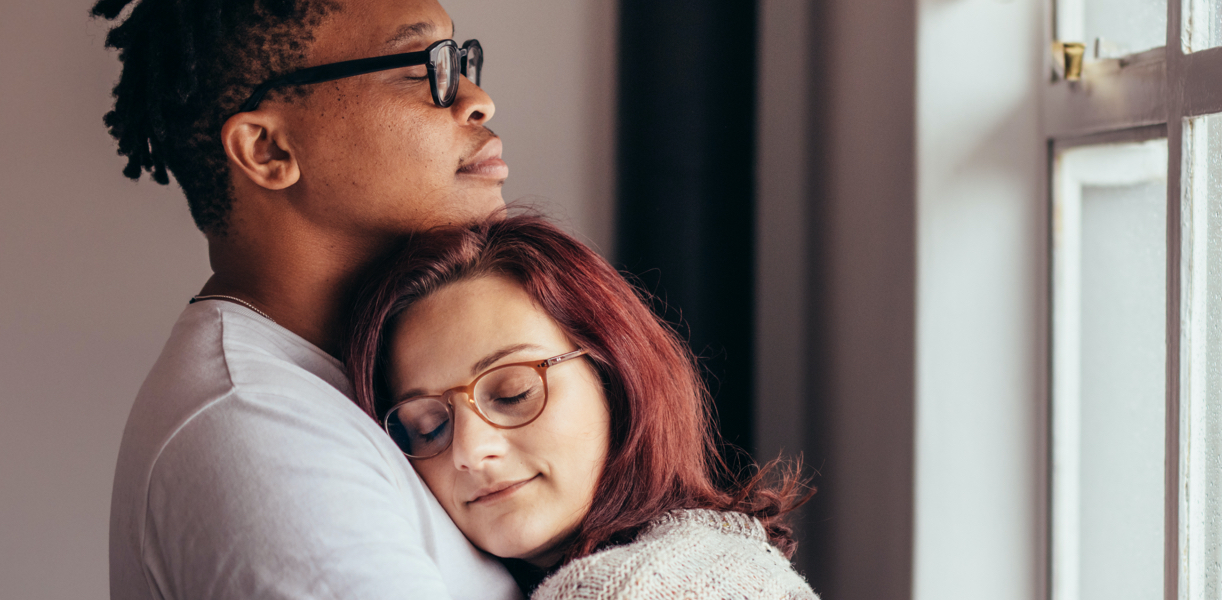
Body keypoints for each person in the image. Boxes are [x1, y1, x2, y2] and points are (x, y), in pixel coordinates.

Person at [97, 0, 521, 598]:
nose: (478, 100)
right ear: (267, 150)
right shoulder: (258, 437)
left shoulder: (380, 376)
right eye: (418, 67)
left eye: (457, 59)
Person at [342, 214, 815, 599]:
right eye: (427, 427)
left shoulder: (629, 586)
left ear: (615, 376)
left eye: (512, 393)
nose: (470, 449)